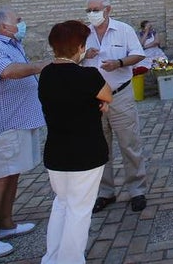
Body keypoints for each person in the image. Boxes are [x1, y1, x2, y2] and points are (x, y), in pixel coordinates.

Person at [37, 21, 113, 264]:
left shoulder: (47, 74)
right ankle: (70, 260)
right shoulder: (88, 75)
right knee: (79, 209)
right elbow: (107, 94)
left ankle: (52, 257)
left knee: (61, 204)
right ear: (80, 47)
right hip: (86, 152)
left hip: (57, 152)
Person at [0, 9, 46, 258]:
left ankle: (6, 224)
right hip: (4, 125)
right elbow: (8, 72)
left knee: (12, 174)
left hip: (17, 121)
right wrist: (41, 65)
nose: (22, 23)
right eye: (18, 20)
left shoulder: (13, 45)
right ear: (4, 27)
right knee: (0, 179)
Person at [81, 0, 149, 213]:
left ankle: (137, 190)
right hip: (94, 98)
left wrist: (120, 62)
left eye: (96, 10)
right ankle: (105, 192)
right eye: (89, 10)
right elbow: (72, 59)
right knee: (99, 147)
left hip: (120, 95)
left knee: (129, 143)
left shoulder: (123, 30)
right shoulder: (83, 33)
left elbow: (139, 54)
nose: (92, 14)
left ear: (108, 9)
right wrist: (83, 56)